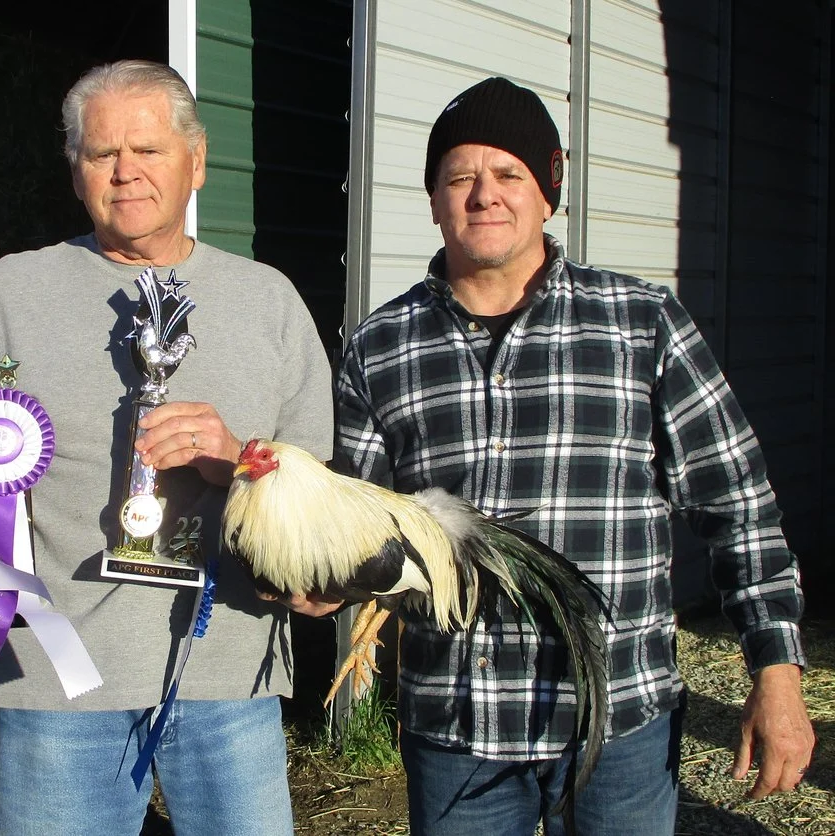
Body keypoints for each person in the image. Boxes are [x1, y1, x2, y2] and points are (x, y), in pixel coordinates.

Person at [331, 77, 814, 835]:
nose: (483, 195)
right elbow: (358, 525)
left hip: (617, 724)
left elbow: (738, 504)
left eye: (508, 175)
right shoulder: (379, 347)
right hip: (457, 728)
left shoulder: (642, 325)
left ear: (547, 191)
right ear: (432, 202)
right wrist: (321, 575)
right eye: (459, 178)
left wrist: (777, 676)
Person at [0, 60, 333, 835]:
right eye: (100, 154)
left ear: (197, 159)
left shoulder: (270, 301)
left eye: (147, 151)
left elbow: (313, 487)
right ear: (75, 169)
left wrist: (235, 458)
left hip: (228, 673)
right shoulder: (10, 293)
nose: (125, 174)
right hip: (57, 681)